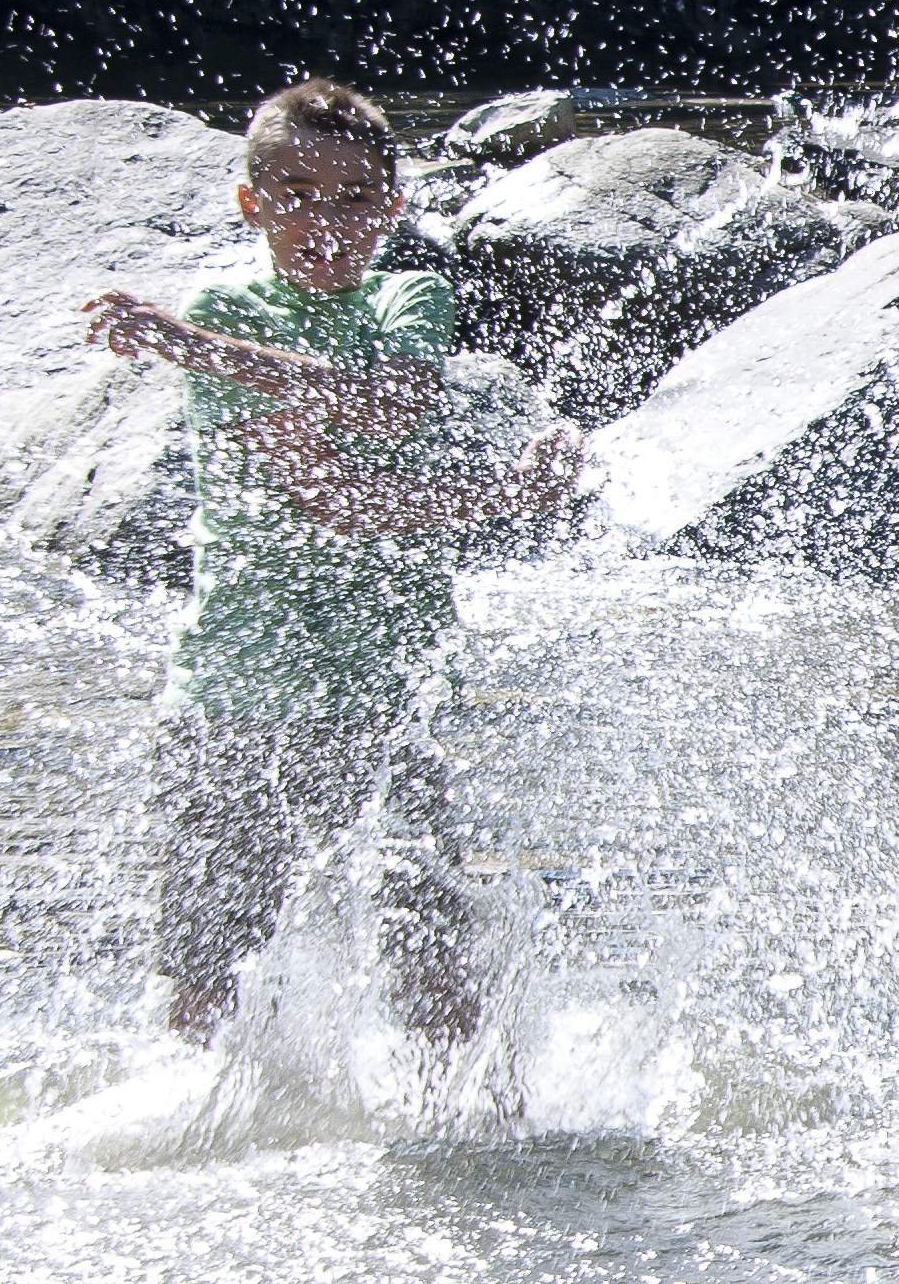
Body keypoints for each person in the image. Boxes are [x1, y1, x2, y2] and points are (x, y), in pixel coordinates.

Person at [79, 76, 579, 1040]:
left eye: (354, 200)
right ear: (249, 204)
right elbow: (330, 499)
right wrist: (504, 498)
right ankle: (201, 1130)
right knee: (209, 950)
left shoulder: (406, 295)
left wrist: (192, 349)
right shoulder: (225, 305)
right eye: (296, 195)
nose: (325, 222)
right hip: (240, 686)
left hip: (390, 680)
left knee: (427, 939)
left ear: (391, 208)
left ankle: (474, 1141)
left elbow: (389, 411)